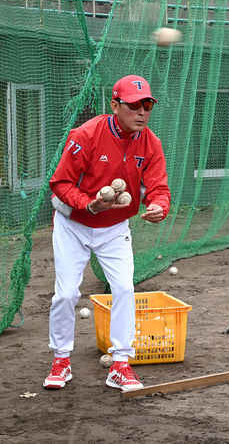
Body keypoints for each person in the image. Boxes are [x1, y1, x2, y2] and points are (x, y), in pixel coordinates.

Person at [45, 75, 171, 392]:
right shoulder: (86, 135)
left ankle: (120, 365)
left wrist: (159, 206)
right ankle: (61, 361)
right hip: (72, 224)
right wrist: (88, 206)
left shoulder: (151, 144)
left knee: (125, 289)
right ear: (115, 105)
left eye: (147, 105)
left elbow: (159, 188)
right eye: (133, 105)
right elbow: (60, 184)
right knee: (67, 294)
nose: (141, 112)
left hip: (114, 227)